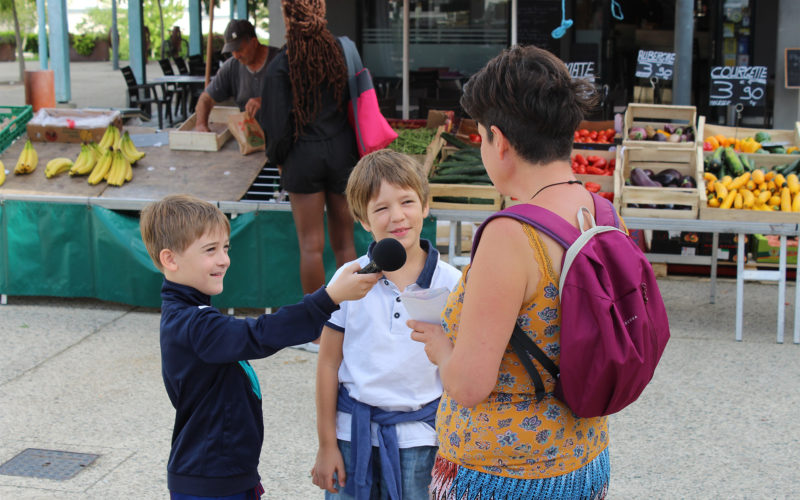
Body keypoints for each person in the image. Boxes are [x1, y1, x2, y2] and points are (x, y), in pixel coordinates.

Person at [409, 45, 611, 499]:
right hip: (585, 457)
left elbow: (468, 385)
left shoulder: (510, 236)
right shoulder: (599, 211)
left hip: (507, 476)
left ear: (499, 140)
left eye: (480, 137)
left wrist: (443, 349)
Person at [138, 194, 380, 499]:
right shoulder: (193, 325)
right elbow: (261, 334)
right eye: (210, 250)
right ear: (170, 259)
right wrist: (328, 298)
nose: (224, 259)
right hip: (209, 483)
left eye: (225, 248)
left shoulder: (191, 317)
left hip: (227, 476)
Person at [311, 150, 462, 499]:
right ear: (363, 220)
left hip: (423, 439)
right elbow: (328, 363)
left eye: (407, 202)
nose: (397, 217)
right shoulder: (348, 279)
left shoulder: (452, 283)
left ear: (425, 205)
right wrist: (326, 444)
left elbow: (460, 370)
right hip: (352, 435)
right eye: (380, 208)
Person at [261, 0, 359, 351]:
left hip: (302, 157)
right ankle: (355, 319)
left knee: (311, 246)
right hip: (342, 152)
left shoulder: (281, 64)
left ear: (289, 18)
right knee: (345, 242)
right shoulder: (340, 52)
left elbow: (275, 125)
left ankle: (317, 330)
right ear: (320, 14)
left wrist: (279, 157)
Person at [194, 20, 278, 132]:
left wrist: (267, 101)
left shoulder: (280, 61)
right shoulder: (231, 66)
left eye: (239, 49)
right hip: (250, 138)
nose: (236, 55)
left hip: (282, 137)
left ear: (254, 42)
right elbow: (205, 99)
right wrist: (201, 125)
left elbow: (301, 98)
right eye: (231, 51)